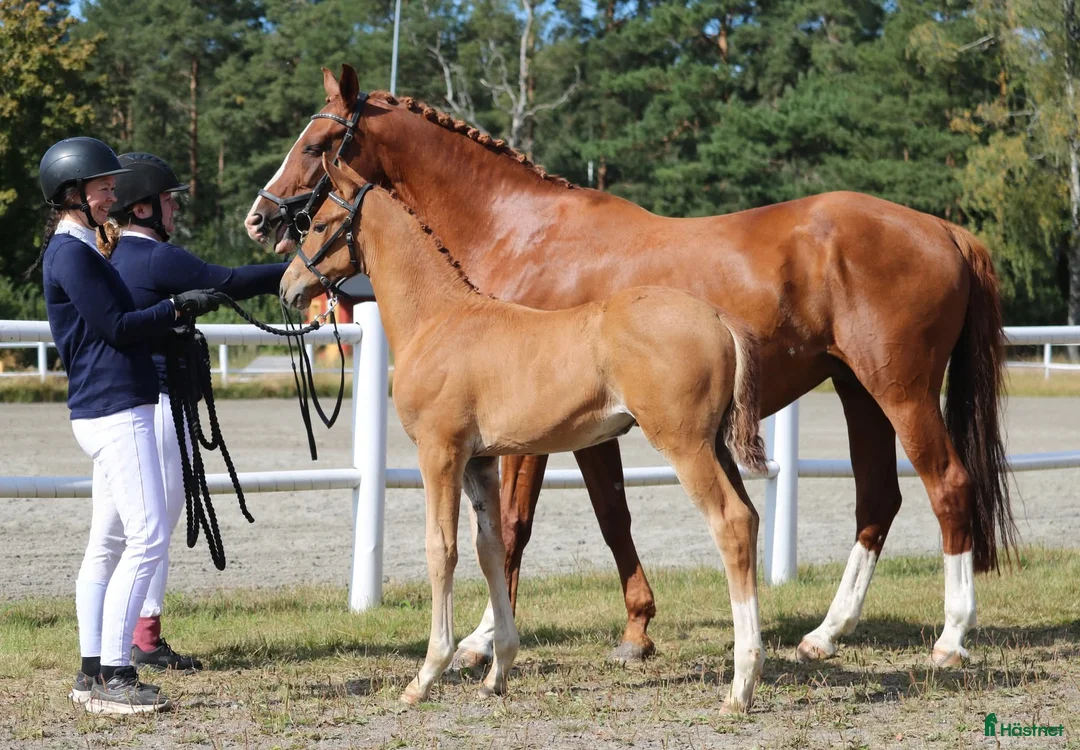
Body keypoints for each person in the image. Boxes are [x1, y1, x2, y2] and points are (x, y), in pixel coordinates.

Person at [30, 137, 221, 714]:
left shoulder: (82, 247)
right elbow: (116, 326)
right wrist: (178, 308)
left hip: (103, 406)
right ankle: (115, 675)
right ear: (73, 194)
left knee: (108, 543)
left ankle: (92, 672)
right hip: (116, 409)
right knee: (147, 536)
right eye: (104, 188)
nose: (114, 195)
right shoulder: (74, 255)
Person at [103, 152, 290, 673]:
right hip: (161, 407)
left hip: (130, 403)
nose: (173, 210)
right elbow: (229, 279)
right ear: (141, 209)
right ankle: (142, 637)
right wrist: (298, 269)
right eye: (166, 200)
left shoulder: (112, 257)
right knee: (154, 526)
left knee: (120, 529)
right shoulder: (155, 257)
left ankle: (113, 636)